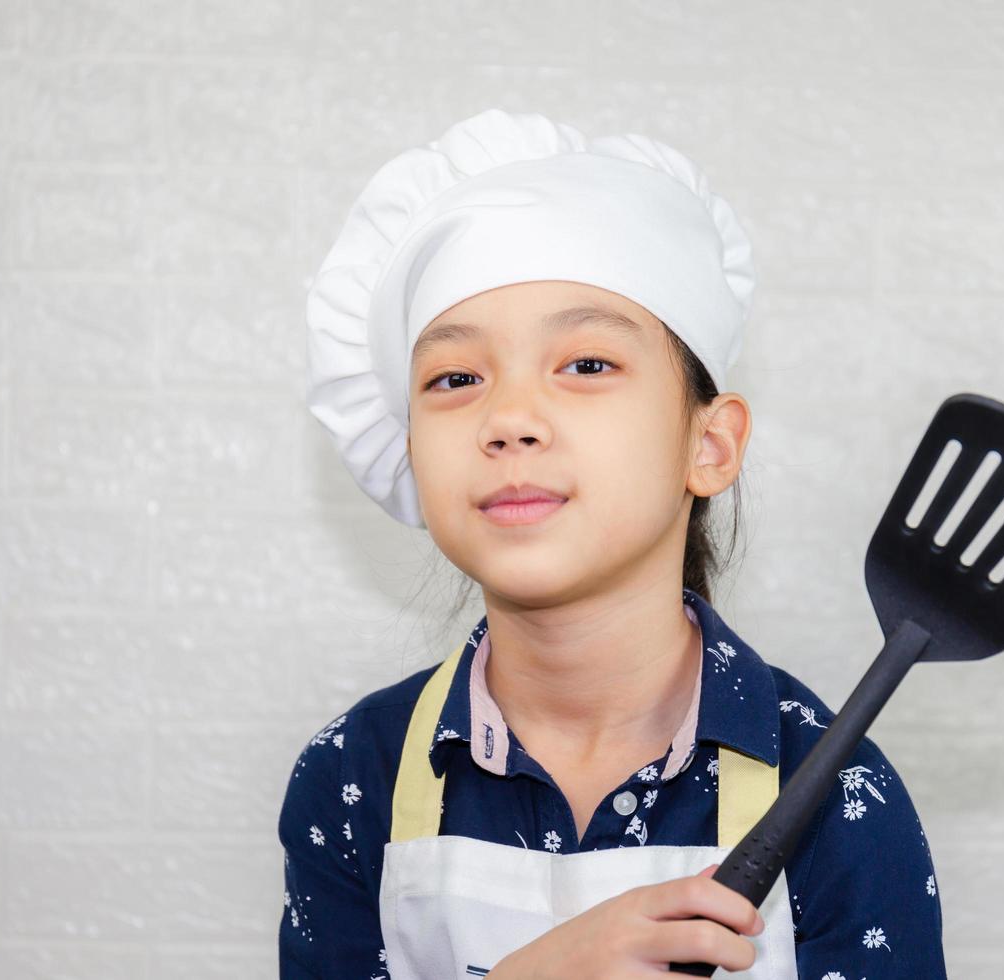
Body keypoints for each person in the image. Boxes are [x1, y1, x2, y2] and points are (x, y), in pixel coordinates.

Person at [279, 108, 947, 979]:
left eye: (586, 365)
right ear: (410, 451)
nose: (509, 419)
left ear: (708, 446)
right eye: (454, 378)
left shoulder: (836, 796)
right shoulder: (351, 776)